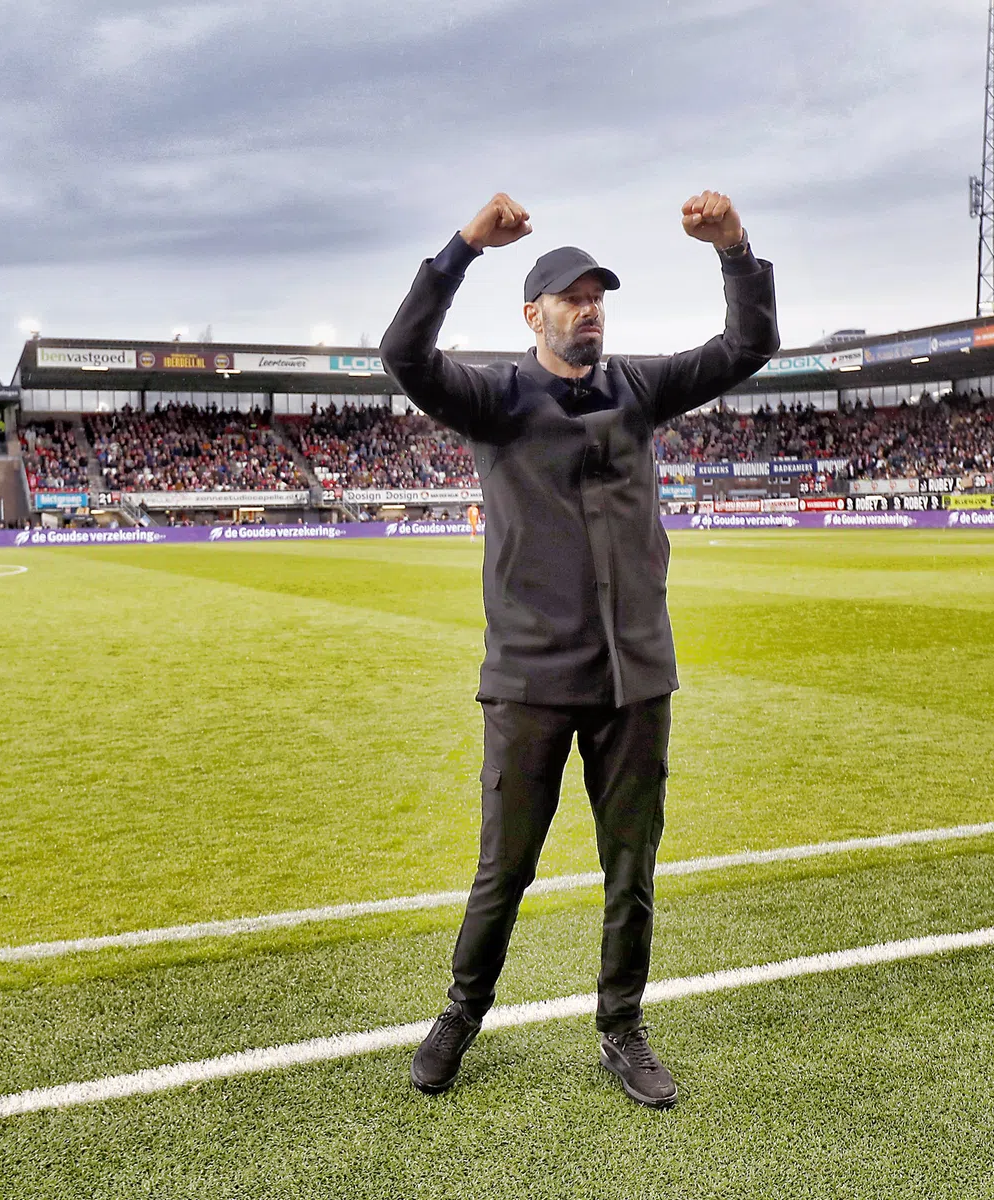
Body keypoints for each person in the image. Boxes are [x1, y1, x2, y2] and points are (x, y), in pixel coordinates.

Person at [380, 190, 778, 1108]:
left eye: (598, 297)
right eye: (572, 297)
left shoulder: (639, 387)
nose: (590, 309)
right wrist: (463, 248)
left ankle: (622, 1027)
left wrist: (735, 249)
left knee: (631, 870)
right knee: (505, 869)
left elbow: (747, 345)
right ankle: (461, 1013)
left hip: (635, 678)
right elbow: (404, 355)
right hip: (529, 679)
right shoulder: (494, 397)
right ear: (534, 315)